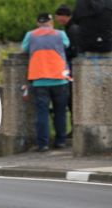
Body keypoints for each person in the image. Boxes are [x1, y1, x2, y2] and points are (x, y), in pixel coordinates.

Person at [22, 13, 70, 152]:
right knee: (60, 112)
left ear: (38, 23)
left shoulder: (30, 35)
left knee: (42, 113)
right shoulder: (60, 34)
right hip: (60, 79)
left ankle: (43, 144)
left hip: (39, 80)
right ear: (51, 22)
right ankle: (61, 141)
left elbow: (24, 49)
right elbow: (66, 45)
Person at [55, 4, 80, 138]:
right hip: (71, 69)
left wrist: (61, 55)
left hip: (72, 70)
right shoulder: (72, 27)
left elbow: (74, 50)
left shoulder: (72, 29)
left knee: (72, 99)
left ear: (64, 16)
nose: (57, 19)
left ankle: (74, 129)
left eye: (58, 17)